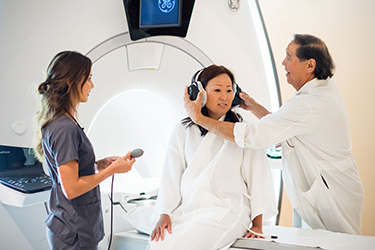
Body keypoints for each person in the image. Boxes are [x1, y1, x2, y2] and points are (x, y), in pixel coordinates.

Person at [184, 34, 364, 235]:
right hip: (323, 186)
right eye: (218, 90)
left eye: (289, 57)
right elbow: (285, 126)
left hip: (330, 191)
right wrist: (256, 108)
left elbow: (255, 136)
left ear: (310, 65)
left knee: (339, 244)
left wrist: (200, 119)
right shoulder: (319, 90)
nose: (283, 63)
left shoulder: (309, 102)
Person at [149, 65, 277, 250]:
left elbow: (258, 177)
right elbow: (171, 176)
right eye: (217, 90)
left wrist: (257, 224)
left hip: (228, 211)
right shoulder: (183, 130)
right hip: (189, 210)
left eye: (229, 90)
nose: (224, 96)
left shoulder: (243, 131)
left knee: (187, 245)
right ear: (200, 93)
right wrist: (164, 212)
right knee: (158, 244)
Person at [33, 51, 136, 250]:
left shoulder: (63, 122)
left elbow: (67, 167)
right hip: (73, 230)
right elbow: (71, 188)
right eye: (88, 79)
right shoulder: (64, 128)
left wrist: (98, 164)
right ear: (72, 82)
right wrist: (111, 171)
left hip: (74, 225)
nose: (92, 85)